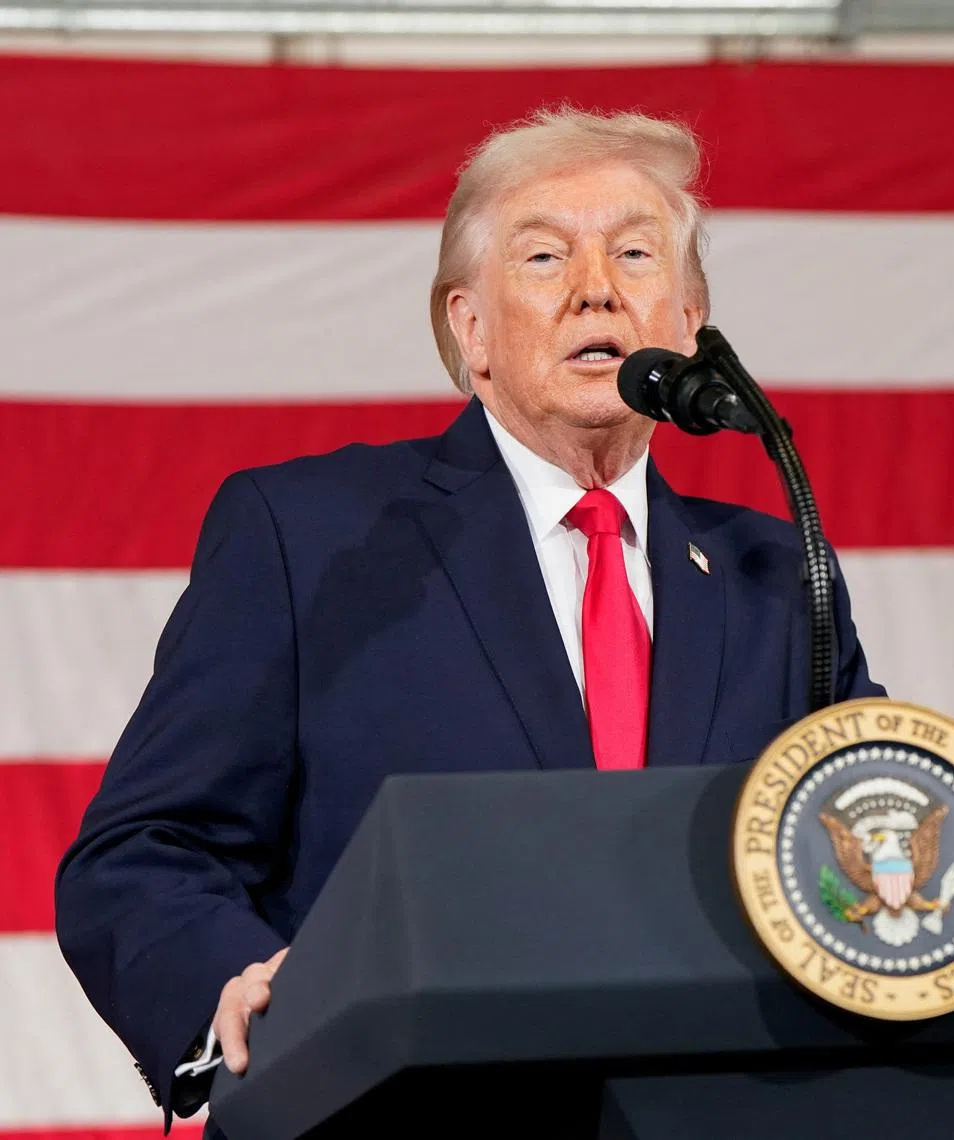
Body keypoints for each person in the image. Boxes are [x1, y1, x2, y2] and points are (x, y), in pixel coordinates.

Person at [56, 107, 884, 1136]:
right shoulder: (310, 536)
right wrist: (232, 985)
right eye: (545, 255)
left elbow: (868, 847)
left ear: (687, 319)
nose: (596, 285)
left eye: (635, 252)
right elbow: (144, 850)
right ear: (471, 328)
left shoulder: (773, 571)